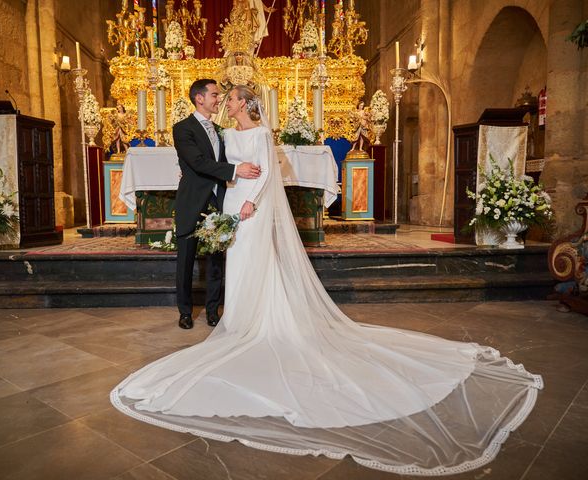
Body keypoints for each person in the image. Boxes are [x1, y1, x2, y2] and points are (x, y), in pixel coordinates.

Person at [112, 86, 543, 476]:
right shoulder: (223, 134)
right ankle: (238, 320)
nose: (225, 101)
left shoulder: (260, 134)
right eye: (220, 97)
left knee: (249, 262)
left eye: (231, 98)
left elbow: (265, 175)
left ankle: (258, 320)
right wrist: (233, 188)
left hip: (249, 209)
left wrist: (249, 203)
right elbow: (216, 164)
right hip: (230, 203)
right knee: (235, 262)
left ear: (244, 103)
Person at [171, 79, 261, 330]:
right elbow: (198, 162)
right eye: (214, 94)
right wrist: (236, 169)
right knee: (186, 260)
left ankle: (213, 310)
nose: (219, 99)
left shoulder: (222, 131)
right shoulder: (183, 128)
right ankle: (185, 312)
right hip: (192, 201)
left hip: (219, 201)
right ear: (199, 98)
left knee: (215, 260)